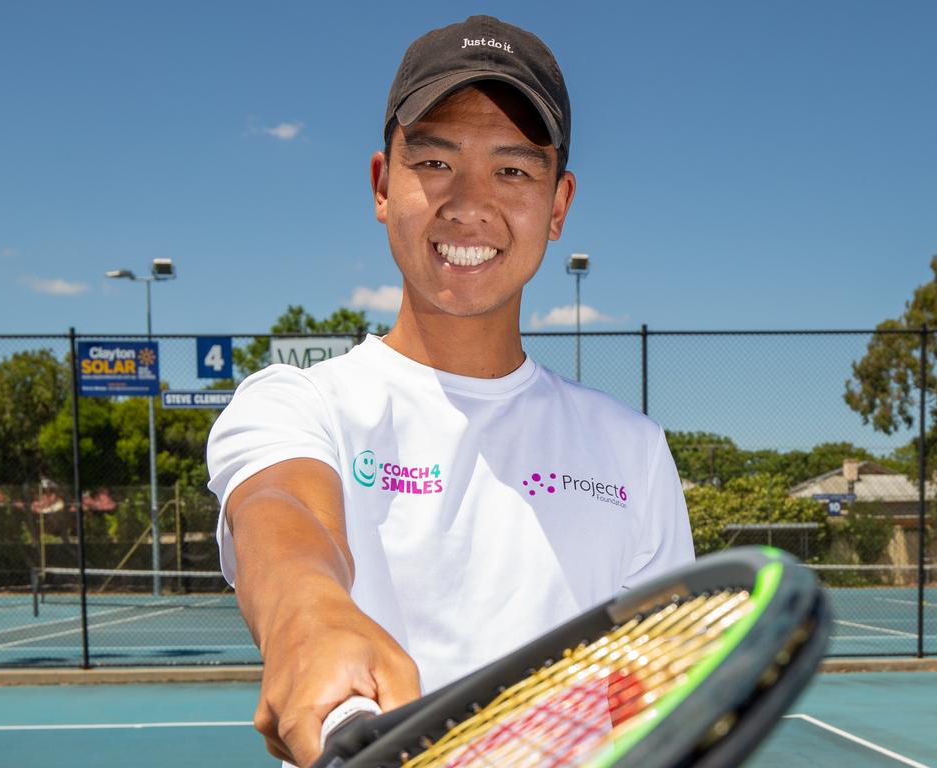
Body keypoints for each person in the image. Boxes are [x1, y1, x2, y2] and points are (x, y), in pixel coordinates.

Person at [207, 15, 694, 767]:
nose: (470, 203)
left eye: (513, 170)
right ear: (381, 184)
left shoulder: (634, 453)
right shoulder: (297, 405)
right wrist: (311, 617)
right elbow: (283, 516)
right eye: (434, 162)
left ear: (558, 204)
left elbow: (654, 701)